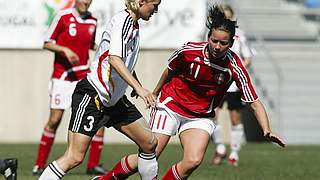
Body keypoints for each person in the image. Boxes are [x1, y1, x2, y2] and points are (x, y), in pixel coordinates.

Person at [96, 4, 286, 180]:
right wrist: (155, 92)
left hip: (200, 116)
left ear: (231, 43)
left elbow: (254, 101)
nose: (217, 46)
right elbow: (169, 70)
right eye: (214, 41)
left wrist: (266, 129)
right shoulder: (189, 51)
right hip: (171, 105)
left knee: (193, 161)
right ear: (208, 37)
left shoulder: (234, 66)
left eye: (223, 43)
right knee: (149, 154)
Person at [38, 0, 161, 179]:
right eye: (155, 5)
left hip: (114, 100)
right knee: (74, 157)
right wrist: (139, 88)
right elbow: (114, 59)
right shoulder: (123, 21)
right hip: (93, 95)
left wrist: (135, 82)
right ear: (141, 2)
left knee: (149, 143)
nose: (156, 10)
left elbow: (124, 60)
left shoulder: (134, 25)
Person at [33, 0, 107, 176]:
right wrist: (65, 50)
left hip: (84, 79)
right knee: (54, 120)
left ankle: (93, 164)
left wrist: (106, 49)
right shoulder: (63, 16)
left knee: (100, 119)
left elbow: (90, 46)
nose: (86, 2)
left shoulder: (92, 20)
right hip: (63, 78)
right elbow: (47, 42)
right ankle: (39, 164)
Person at [211, 4, 253, 167]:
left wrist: (237, 72)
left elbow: (248, 57)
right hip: (217, 83)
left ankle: (234, 153)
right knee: (213, 115)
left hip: (233, 85)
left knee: (235, 118)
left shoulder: (240, 36)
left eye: (228, 17)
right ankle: (220, 147)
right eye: (223, 17)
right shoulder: (213, 35)